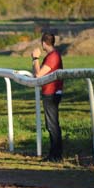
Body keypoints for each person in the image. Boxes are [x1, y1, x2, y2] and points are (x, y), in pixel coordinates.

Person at [32, 32, 64, 162]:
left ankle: (56, 156)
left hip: (51, 93)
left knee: (52, 125)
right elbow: (36, 74)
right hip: (50, 92)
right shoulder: (52, 56)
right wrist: (34, 61)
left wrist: (35, 58)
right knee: (51, 125)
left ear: (44, 43)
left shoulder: (53, 56)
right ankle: (54, 155)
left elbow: (38, 75)